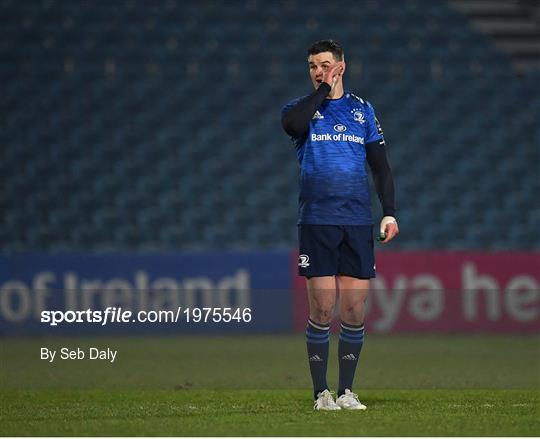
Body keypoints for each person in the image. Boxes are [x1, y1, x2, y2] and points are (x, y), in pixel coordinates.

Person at [281, 39, 399, 411]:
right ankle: (321, 394)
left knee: (353, 312)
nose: (319, 70)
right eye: (313, 66)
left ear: (341, 67)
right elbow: (293, 125)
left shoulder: (363, 111)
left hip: (357, 222)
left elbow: (380, 166)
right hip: (317, 222)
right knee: (322, 309)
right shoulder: (301, 111)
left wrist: (390, 211)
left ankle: (347, 391)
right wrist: (322, 91)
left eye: (326, 64)